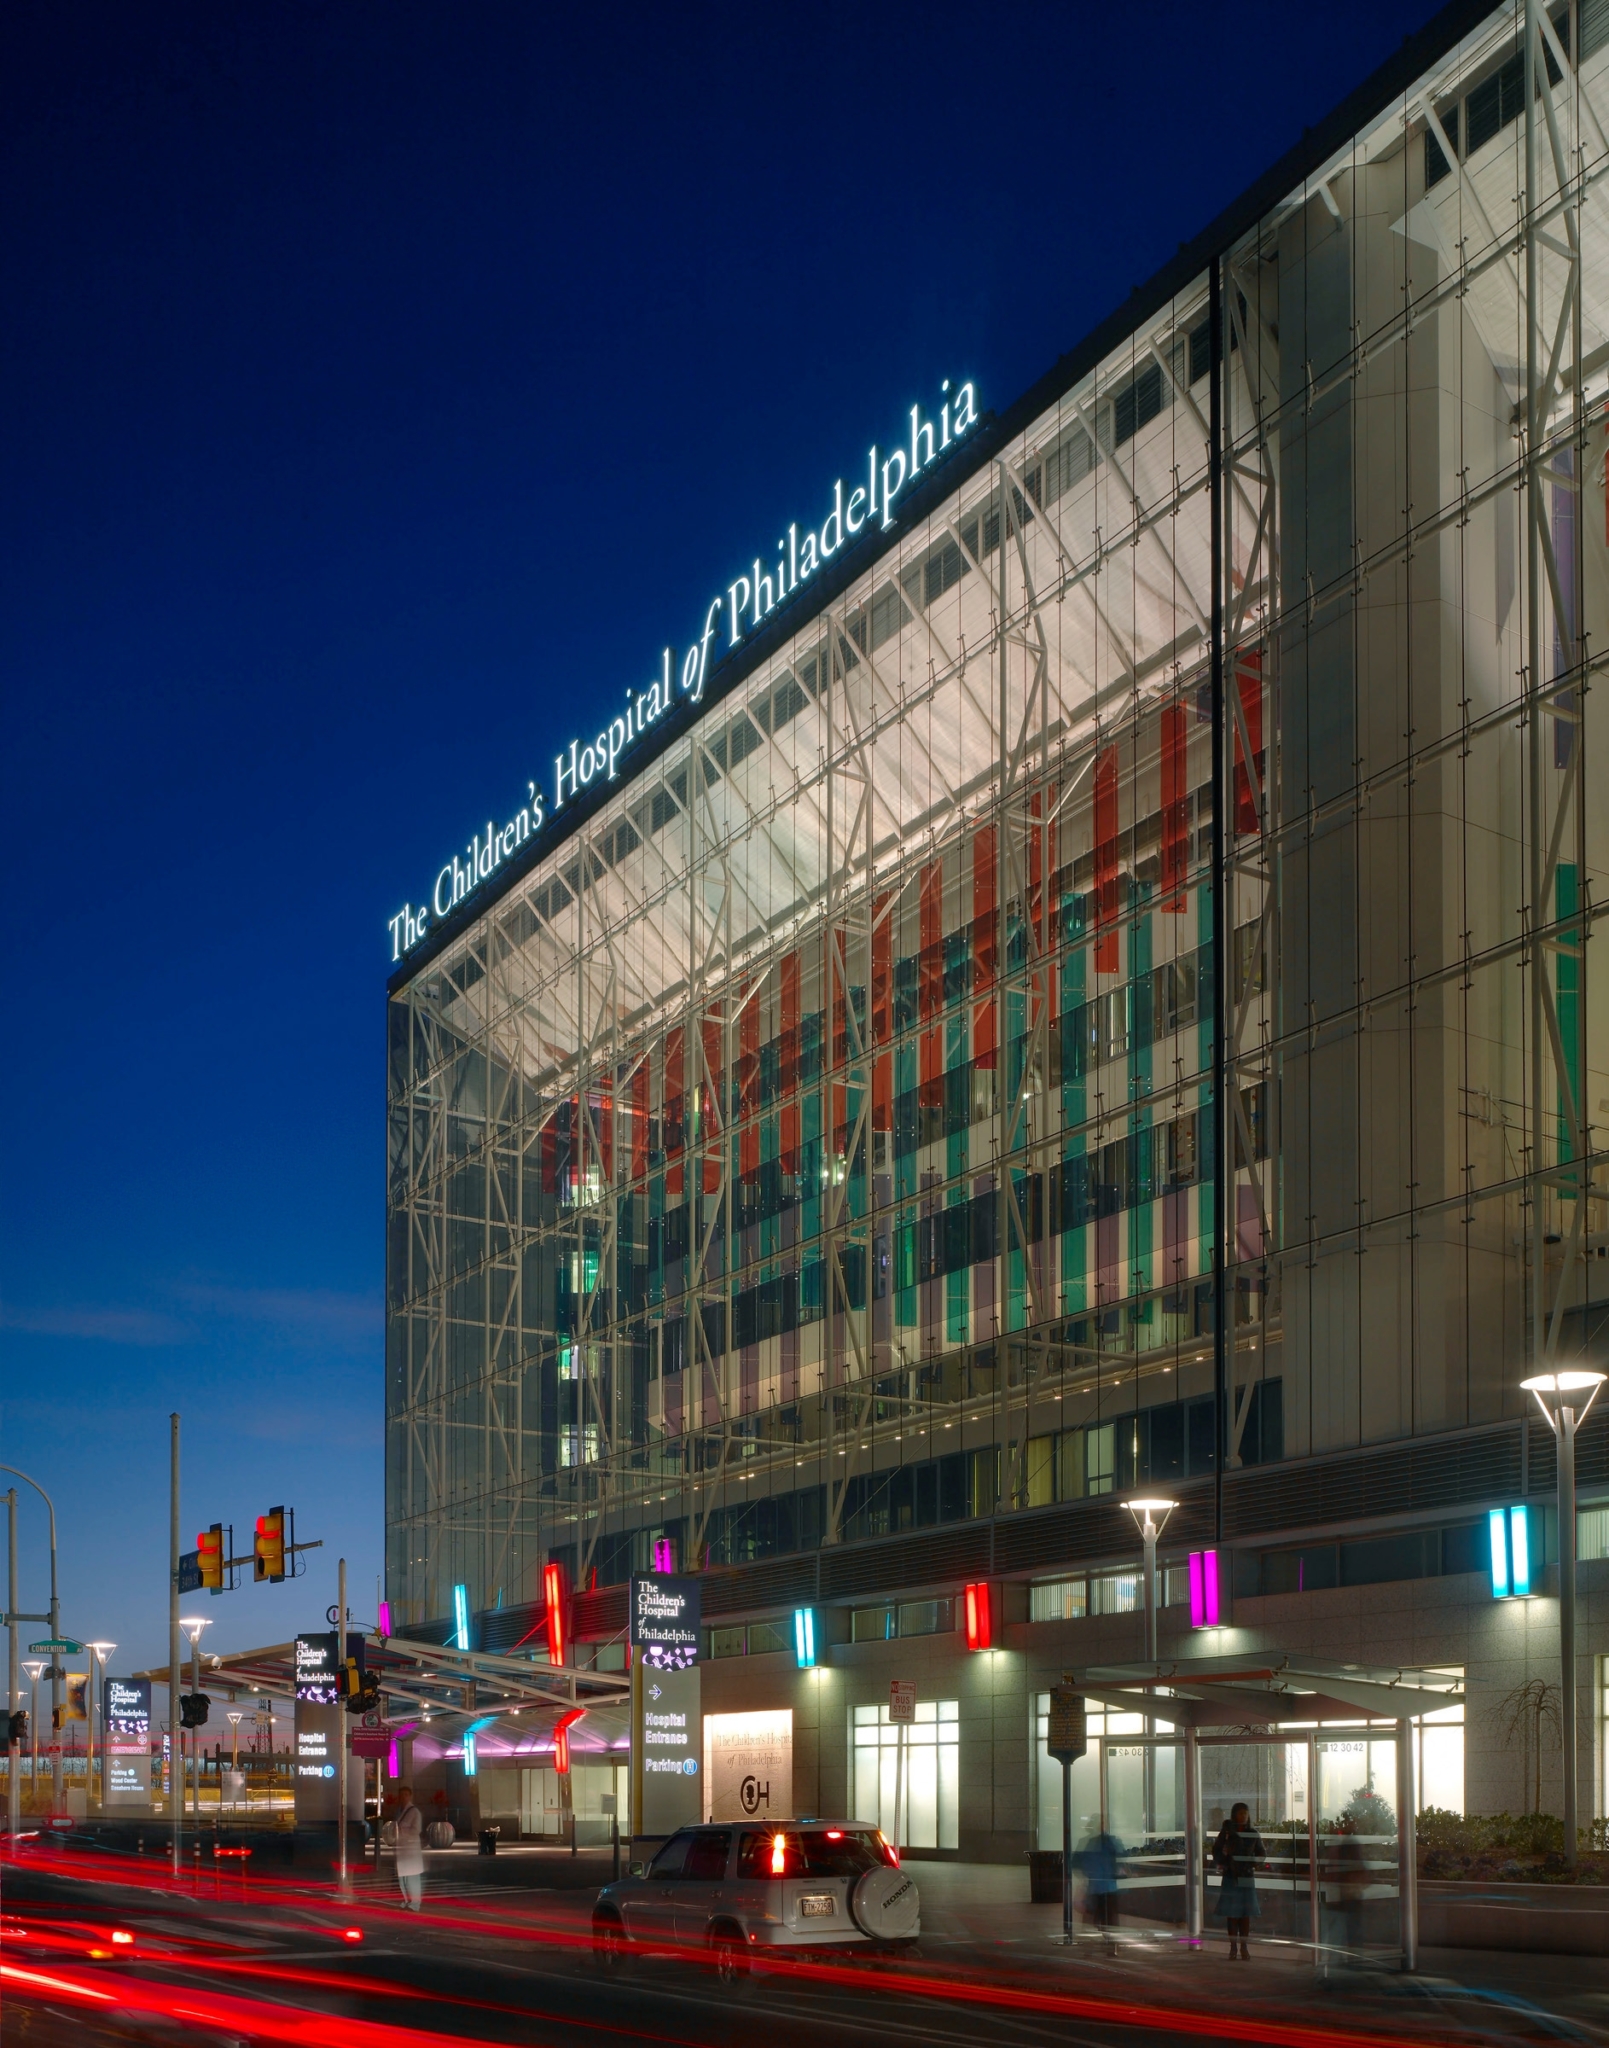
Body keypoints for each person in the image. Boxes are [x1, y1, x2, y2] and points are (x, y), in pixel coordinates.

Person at [1211, 1801, 1265, 1959]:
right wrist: (1225, 1860)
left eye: (1245, 1813)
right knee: (1232, 1913)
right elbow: (1216, 1850)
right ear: (1234, 1815)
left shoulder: (1252, 1834)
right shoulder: (1227, 1832)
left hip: (1246, 1875)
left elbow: (1261, 1853)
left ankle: (1244, 1947)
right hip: (1231, 1876)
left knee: (1245, 1913)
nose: (1243, 1816)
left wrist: (1254, 1861)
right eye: (1240, 1813)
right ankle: (1233, 1947)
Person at [1076, 1827, 1123, 1954]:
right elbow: (1120, 1860)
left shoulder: (1090, 1843)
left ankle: (1091, 1946)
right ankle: (1110, 1944)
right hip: (1108, 1887)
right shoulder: (1112, 1842)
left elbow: (1081, 1862)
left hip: (1096, 1887)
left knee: (1093, 1916)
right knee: (1109, 1917)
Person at [394, 1783, 424, 1912]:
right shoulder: (400, 1812)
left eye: (406, 1795)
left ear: (410, 1796)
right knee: (403, 1878)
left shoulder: (414, 1811)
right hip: (402, 1850)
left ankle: (415, 1903)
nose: (403, 1797)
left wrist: (402, 1832)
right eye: (401, 1795)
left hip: (411, 1851)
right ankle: (406, 1900)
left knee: (412, 1878)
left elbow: (417, 1829)